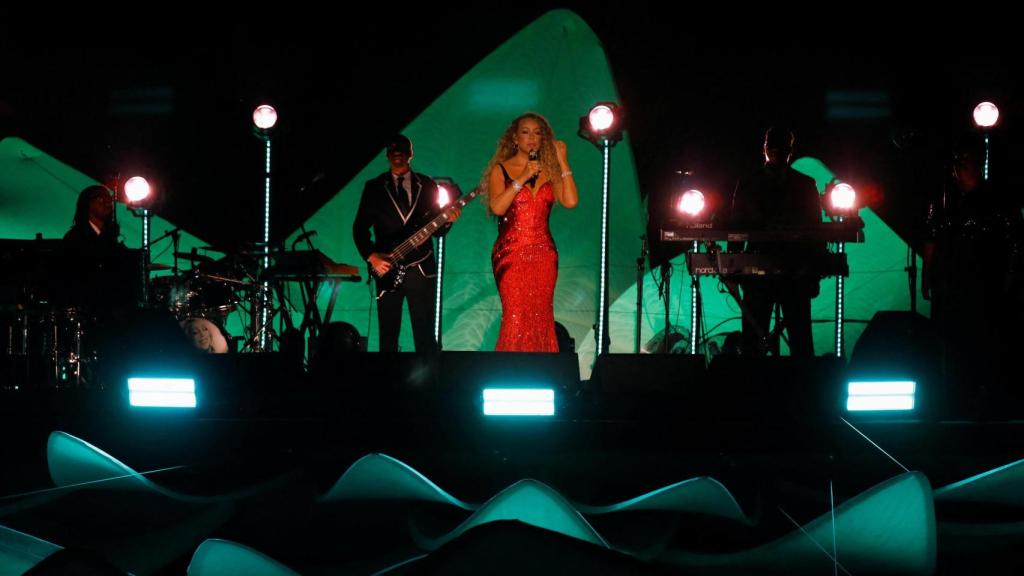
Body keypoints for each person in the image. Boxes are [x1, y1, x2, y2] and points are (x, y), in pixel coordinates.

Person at [922, 135, 1023, 409]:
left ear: (978, 164)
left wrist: (1010, 276)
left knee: (983, 337)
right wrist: (927, 274)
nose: (960, 168)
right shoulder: (944, 201)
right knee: (951, 338)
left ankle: (984, 392)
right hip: (952, 281)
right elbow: (931, 238)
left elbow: (1015, 240)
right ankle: (953, 391)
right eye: (959, 162)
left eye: (966, 162)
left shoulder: (998, 201)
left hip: (984, 280)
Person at [353, 134, 458, 352]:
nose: (396, 153)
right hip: (387, 268)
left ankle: (429, 381)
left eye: (401, 149)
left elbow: (437, 229)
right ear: (387, 155)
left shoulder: (427, 184)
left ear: (411, 154)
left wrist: (449, 222)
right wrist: (372, 257)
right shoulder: (374, 187)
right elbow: (359, 228)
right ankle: (388, 381)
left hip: (421, 267)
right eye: (392, 150)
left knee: (425, 334)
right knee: (388, 335)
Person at [483, 112, 578, 352]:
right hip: (512, 254)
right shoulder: (500, 170)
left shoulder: (549, 170)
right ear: (515, 138)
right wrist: (524, 177)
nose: (531, 138)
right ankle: (510, 374)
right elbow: (497, 207)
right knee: (515, 316)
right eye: (525, 132)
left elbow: (570, 201)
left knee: (541, 316)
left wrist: (562, 161)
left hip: (544, 254)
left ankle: (542, 372)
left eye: (537, 133)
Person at [728, 127, 823, 357]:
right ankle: (801, 384)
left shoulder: (750, 183)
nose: (779, 152)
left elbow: (737, 229)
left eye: (782, 148)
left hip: (779, 271)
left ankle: (762, 386)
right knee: (796, 339)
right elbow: (816, 232)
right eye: (777, 147)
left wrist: (731, 267)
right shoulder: (804, 184)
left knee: (764, 339)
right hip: (791, 271)